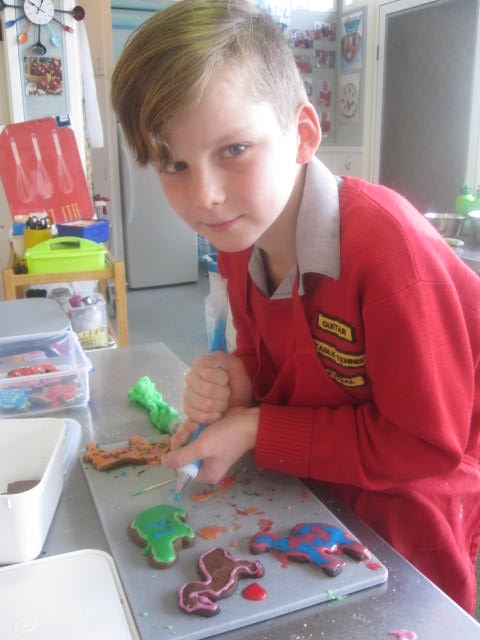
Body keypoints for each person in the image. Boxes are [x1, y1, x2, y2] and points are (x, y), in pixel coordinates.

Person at [111, 0, 480, 614]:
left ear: (303, 134)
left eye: (233, 149)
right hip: (315, 487)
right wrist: (239, 380)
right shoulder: (238, 238)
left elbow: (424, 443)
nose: (205, 195)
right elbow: (266, 358)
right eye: (174, 164)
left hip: (411, 507)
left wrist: (256, 428)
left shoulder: (387, 253)